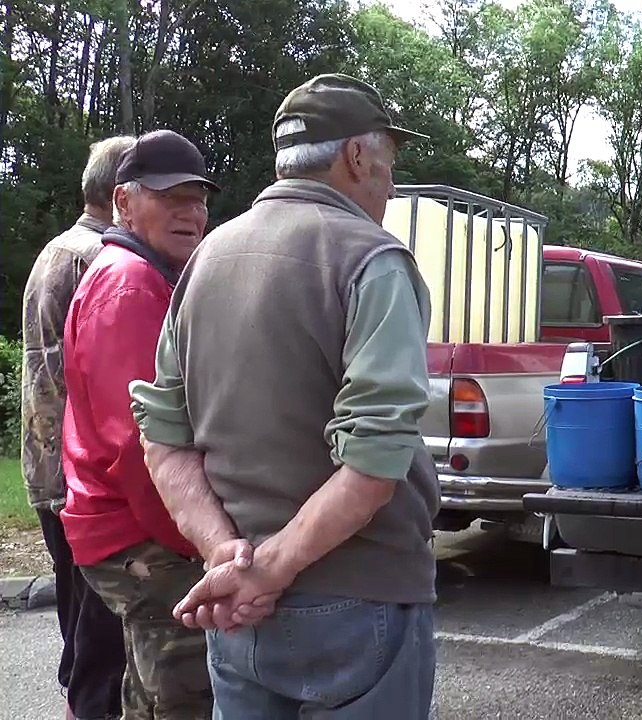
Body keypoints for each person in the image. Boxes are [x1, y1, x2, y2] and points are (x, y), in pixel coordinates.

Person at [128, 73, 441, 718]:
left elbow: (162, 436)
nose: (390, 184)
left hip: (236, 605)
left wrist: (225, 553)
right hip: (359, 603)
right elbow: (375, 458)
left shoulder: (206, 259)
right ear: (356, 157)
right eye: (388, 162)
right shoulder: (373, 260)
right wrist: (268, 567)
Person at [59, 129, 222, 719]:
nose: (190, 212)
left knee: (147, 692)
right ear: (123, 202)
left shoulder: (140, 273)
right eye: (170, 196)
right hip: (140, 532)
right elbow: (139, 441)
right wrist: (198, 539)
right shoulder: (129, 284)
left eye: (197, 198)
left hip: (123, 525)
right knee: (188, 695)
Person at [20, 134, 133, 720]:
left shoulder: (56, 250)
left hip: (47, 465)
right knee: (100, 641)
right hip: (81, 472)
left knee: (81, 629)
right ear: (123, 194)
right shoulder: (101, 259)